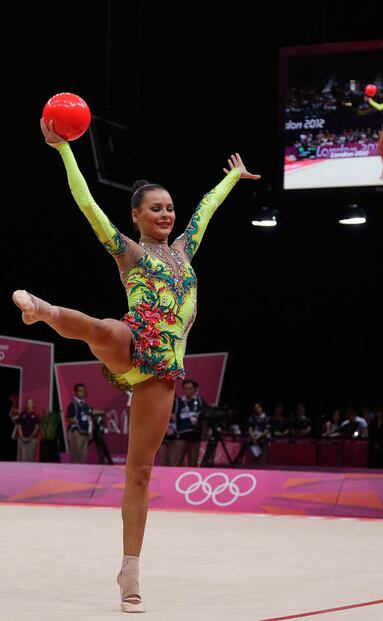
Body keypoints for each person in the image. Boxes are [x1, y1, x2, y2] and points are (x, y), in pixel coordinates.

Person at [12, 117, 260, 612]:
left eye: (170, 207)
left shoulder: (185, 251)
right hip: (134, 343)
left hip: (163, 371)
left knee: (140, 472)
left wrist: (232, 179)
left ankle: (130, 571)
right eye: (156, 208)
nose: (167, 213)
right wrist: (63, 150)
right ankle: (44, 311)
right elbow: (87, 206)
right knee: (104, 328)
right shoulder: (128, 254)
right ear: (137, 216)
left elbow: (207, 209)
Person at [170, 379, 208, 467]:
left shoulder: (200, 401)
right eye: (186, 388)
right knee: (177, 462)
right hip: (181, 435)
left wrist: (205, 430)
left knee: (193, 463)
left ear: (194, 389)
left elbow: (206, 415)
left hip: (195, 436)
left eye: (190, 388)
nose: (188, 391)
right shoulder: (178, 401)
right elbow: (170, 414)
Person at [66, 383, 93, 464]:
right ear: (76, 392)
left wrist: (103, 412)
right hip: (76, 433)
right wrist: (75, 421)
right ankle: (74, 476)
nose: (82, 392)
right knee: (76, 458)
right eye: (80, 391)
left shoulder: (85, 405)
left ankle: (82, 476)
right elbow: (68, 418)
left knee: (83, 458)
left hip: (85, 433)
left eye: (83, 391)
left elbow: (90, 414)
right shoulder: (73, 404)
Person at [16, 398, 40, 462]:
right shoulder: (22, 415)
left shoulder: (35, 416)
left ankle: (31, 472)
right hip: (23, 439)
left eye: (31, 403)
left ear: (33, 405)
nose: (29, 404)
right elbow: (19, 426)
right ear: (26, 404)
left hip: (32, 440)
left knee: (31, 459)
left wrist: (30, 438)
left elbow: (36, 428)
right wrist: (22, 437)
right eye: (28, 403)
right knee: (24, 459)